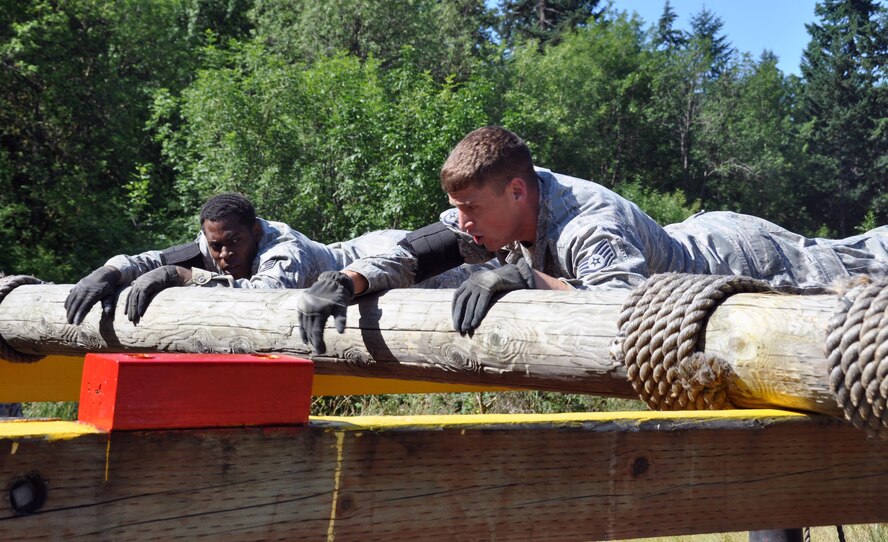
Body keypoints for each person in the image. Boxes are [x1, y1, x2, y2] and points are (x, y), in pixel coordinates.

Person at [297, 125, 888, 353]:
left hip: (745, 257)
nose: (465, 222)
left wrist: (528, 278)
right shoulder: (490, 213)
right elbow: (419, 249)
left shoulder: (589, 225)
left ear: (517, 193)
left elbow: (621, 309)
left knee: (866, 258)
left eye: (471, 208)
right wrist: (348, 281)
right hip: (698, 242)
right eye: (461, 210)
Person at [65, 193, 489, 326]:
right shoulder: (216, 242)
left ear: (255, 232)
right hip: (363, 253)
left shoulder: (284, 250)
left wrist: (182, 277)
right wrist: (108, 272)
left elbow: (263, 298)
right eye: (216, 247)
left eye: (233, 244)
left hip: (393, 261)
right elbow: (153, 258)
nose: (224, 255)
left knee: (491, 266)